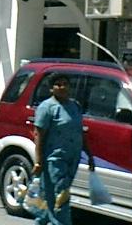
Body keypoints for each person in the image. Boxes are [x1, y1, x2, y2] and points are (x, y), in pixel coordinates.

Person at [32, 73, 95, 225]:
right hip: (55, 159)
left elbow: (80, 132)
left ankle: (41, 221)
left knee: (49, 195)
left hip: (72, 158)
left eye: (65, 84)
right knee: (61, 195)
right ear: (51, 89)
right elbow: (39, 135)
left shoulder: (74, 106)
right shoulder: (47, 107)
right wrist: (38, 161)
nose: (62, 87)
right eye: (58, 84)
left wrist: (89, 155)